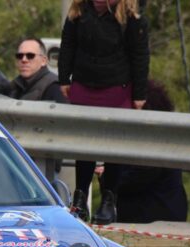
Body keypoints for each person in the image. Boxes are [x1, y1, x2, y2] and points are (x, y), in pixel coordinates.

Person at [59, 0, 150, 224]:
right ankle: (80, 198)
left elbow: (140, 56)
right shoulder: (78, 12)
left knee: (113, 147)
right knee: (85, 145)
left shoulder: (130, 18)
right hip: (83, 84)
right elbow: (67, 44)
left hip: (116, 87)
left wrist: (139, 94)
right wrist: (64, 78)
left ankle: (109, 199)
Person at [113, 80, 188, 223]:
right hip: (163, 213)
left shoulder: (152, 141)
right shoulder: (161, 136)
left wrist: (108, 178)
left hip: (152, 217)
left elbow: (138, 178)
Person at [9, 38, 67, 103]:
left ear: (43, 61)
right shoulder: (13, 86)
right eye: (20, 56)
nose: (24, 60)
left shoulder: (55, 88)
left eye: (30, 55)